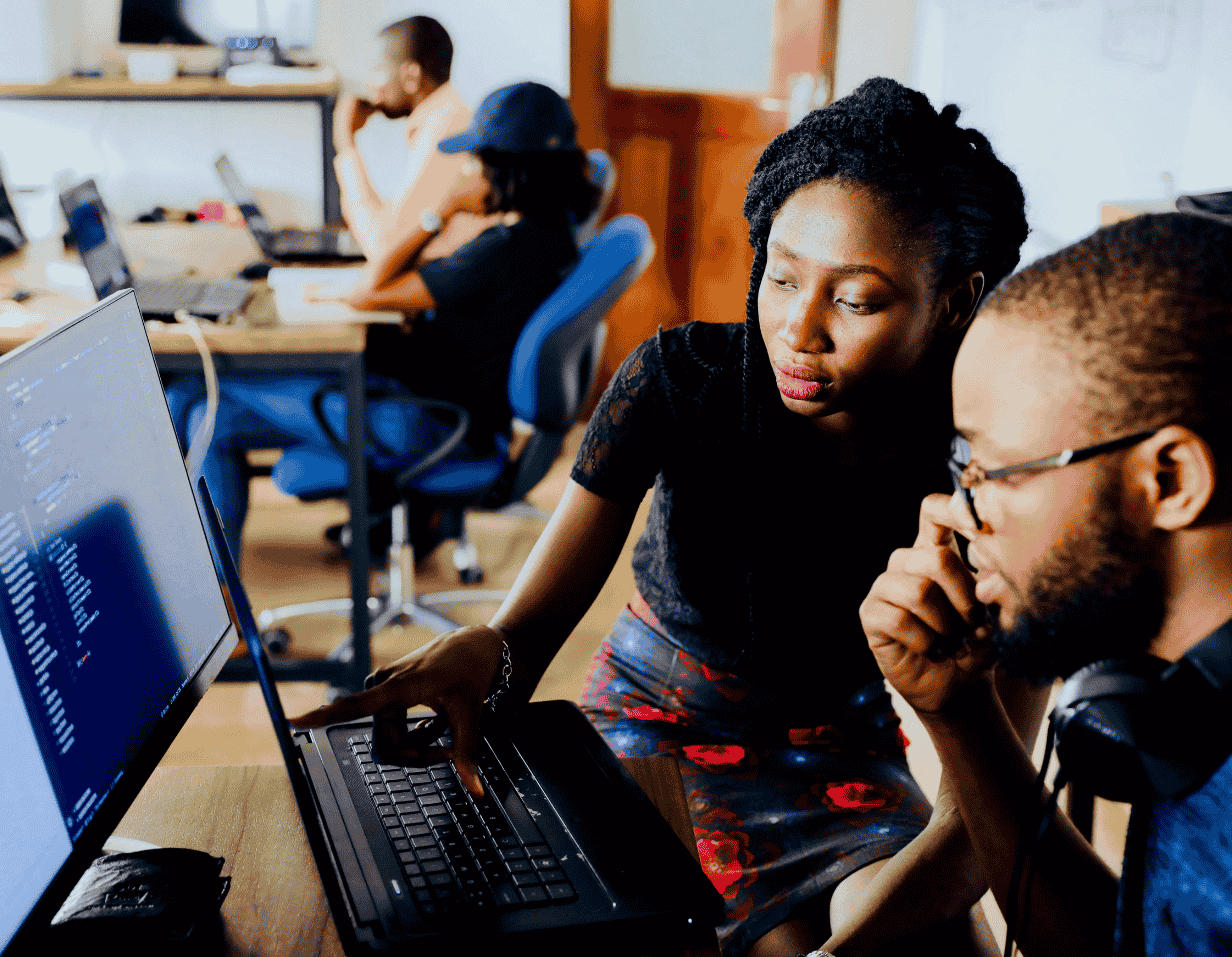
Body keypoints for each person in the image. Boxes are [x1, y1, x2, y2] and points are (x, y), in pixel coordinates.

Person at [293, 78, 1040, 956]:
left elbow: (980, 823)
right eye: (783, 276)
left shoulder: (996, 474)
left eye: (856, 299)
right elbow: (524, 636)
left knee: (938, 943)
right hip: (654, 728)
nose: (798, 328)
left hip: (841, 754)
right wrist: (484, 653)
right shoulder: (682, 384)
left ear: (956, 298)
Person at [860, 212, 1232, 957]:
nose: (952, 512)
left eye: (993, 471)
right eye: (960, 466)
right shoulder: (1178, 700)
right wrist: (961, 714)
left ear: (1169, 480)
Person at [167, 82, 599, 563]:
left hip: (421, 422)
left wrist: (441, 212)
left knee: (195, 392)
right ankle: (224, 599)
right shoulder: (553, 239)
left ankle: (211, 592)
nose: (468, 171)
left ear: (507, 169)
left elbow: (369, 289)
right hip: (442, 409)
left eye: (477, 160)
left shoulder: (501, 252)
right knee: (207, 414)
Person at [335, 14, 493, 262]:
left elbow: (384, 249)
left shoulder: (445, 130)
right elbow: (392, 226)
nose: (370, 84)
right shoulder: (445, 117)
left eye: (377, 70)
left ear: (411, 77)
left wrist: (345, 145)